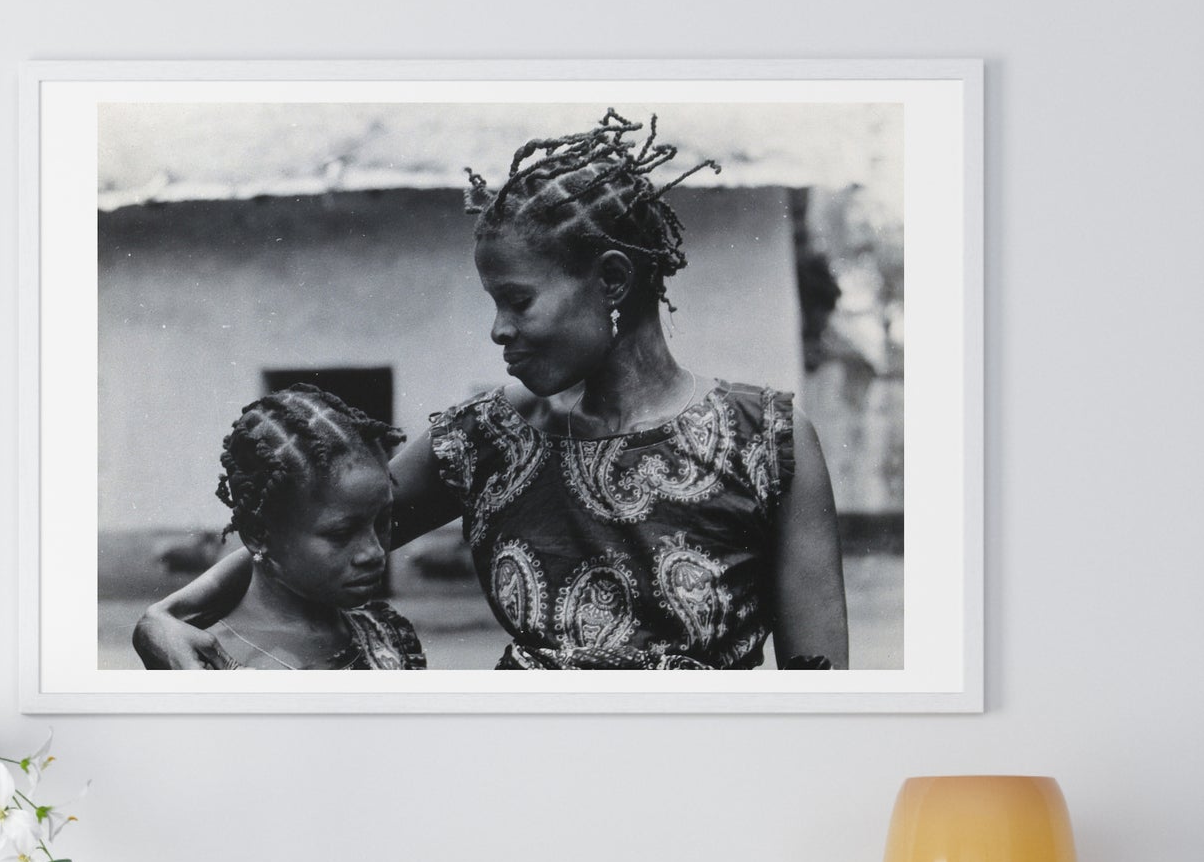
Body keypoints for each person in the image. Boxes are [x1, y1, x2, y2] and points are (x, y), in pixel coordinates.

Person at [135, 110, 847, 670]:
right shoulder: (484, 440)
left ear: (611, 281)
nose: (498, 330)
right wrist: (164, 618)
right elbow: (304, 527)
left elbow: (818, 688)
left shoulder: (767, 445)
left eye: (516, 300)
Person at [136, 384, 425, 671]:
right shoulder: (198, 659)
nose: (374, 552)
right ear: (258, 535)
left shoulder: (389, 635)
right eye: (341, 534)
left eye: (384, 521)